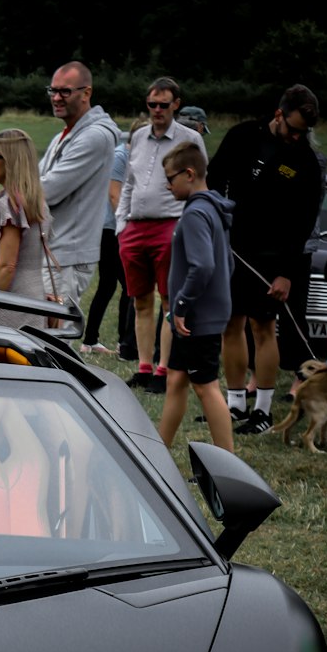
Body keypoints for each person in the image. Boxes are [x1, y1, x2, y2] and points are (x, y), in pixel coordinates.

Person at [206, 84, 322, 434]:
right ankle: (236, 404)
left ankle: (263, 411)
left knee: (263, 327)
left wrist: (286, 273)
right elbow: (215, 177)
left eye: (304, 132)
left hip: (276, 256)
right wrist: (218, 217)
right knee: (231, 324)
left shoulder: (304, 160)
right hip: (233, 247)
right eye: (293, 128)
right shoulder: (243, 135)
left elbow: (304, 221)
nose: (297, 136)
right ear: (278, 115)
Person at [115, 77, 205, 394]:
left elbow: (199, 184)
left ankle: (163, 367)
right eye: (151, 104)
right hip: (135, 226)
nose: (156, 110)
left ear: (176, 105)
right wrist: (121, 224)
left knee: (169, 299)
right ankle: (143, 366)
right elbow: (128, 182)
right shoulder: (138, 136)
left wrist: (185, 228)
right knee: (139, 299)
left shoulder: (190, 137)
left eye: (163, 105)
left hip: (170, 225)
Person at [156, 140, 236, 452]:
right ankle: (157, 453)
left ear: (189, 174)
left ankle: (230, 467)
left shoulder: (196, 214)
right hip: (197, 316)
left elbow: (203, 266)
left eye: (170, 179)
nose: (167, 186)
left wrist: (181, 304)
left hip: (195, 318)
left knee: (206, 387)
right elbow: (226, 264)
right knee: (176, 379)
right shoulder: (212, 208)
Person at [38, 62, 120, 313]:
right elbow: (37, 182)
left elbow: (47, 190)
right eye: (52, 90)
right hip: (53, 252)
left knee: (53, 341)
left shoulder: (95, 137)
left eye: (65, 91)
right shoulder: (63, 135)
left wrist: (14, 189)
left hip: (67, 257)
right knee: (38, 336)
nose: (56, 98)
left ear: (86, 93)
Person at [0, 129, 51, 328]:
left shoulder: (10, 204)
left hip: (10, 304)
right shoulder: (34, 200)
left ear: (10, 160)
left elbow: (7, 267)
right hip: (34, 298)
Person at [82, 118, 143, 354]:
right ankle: (125, 342)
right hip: (111, 229)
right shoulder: (120, 156)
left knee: (108, 285)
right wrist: (126, 228)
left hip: (113, 228)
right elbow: (114, 195)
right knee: (128, 286)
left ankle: (91, 340)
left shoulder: (133, 157)